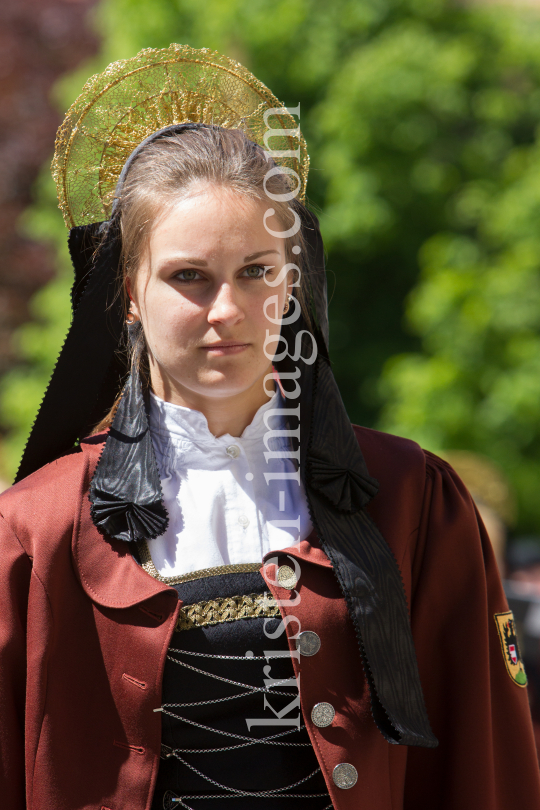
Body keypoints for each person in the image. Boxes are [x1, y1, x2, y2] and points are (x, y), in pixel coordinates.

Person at [0, 44, 539, 810]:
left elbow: (487, 768)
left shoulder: (413, 502)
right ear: (126, 293)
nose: (227, 311)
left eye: (257, 272)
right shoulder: (32, 534)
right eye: (189, 276)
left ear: (291, 284)